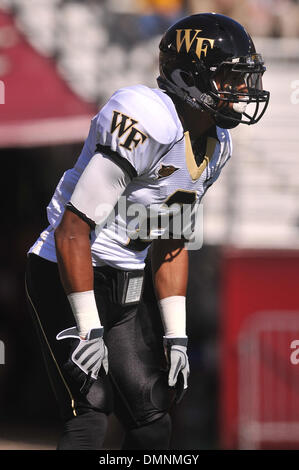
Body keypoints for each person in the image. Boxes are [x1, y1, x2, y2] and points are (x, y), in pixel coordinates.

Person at [25, 13, 270, 450]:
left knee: (151, 415)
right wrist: (87, 326)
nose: (241, 91)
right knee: (90, 415)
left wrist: (176, 335)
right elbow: (72, 230)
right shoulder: (148, 119)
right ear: (188, 78)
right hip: (67, 272)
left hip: (125, 284)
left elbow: (171, 240)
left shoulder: (217, 146)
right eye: (230, 78)